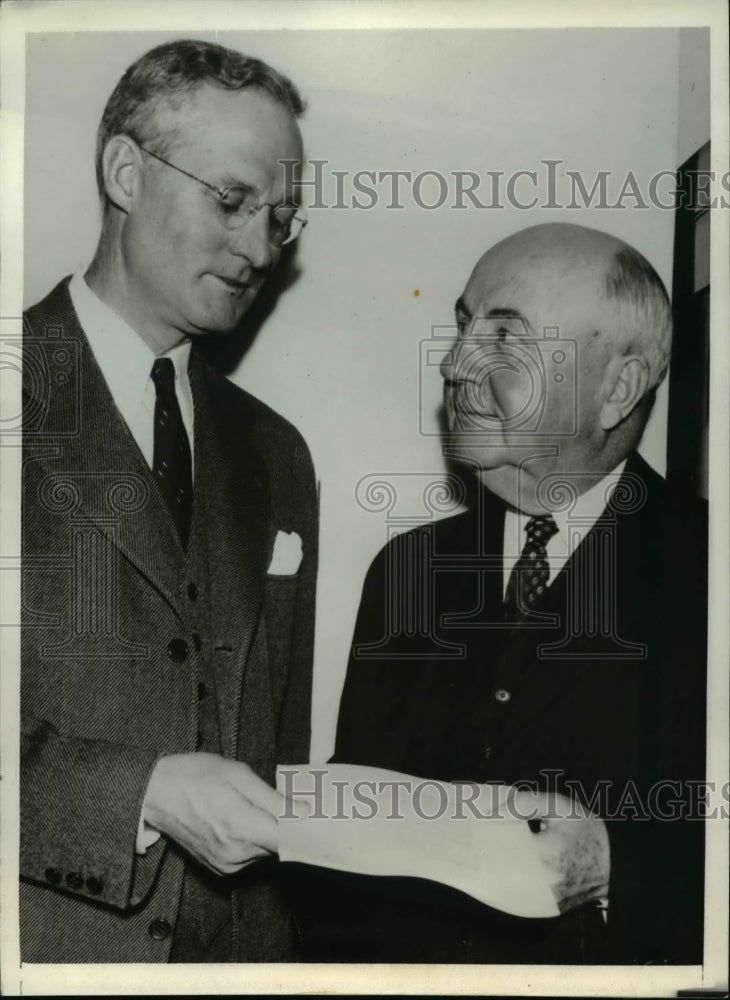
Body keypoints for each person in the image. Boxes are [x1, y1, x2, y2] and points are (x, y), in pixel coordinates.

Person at [295, 223, 706, 964]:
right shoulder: (409, 570)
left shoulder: (710, 573)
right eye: (461, 325)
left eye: (504, 338)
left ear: (618, 388)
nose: (453, 363)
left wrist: (615, 869)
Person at [21, 39, 317, 963]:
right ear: (123, 172)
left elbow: (281, 751)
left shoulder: (278, 453)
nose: (260, 246)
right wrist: (138, 793)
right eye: (232, 201)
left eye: (281, 218)